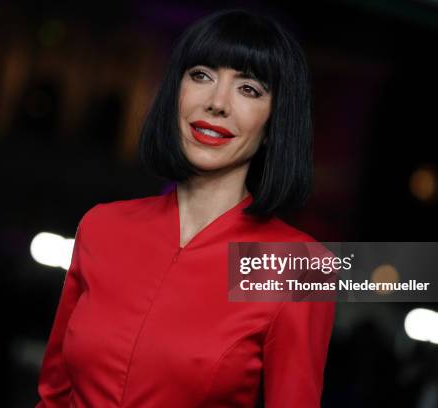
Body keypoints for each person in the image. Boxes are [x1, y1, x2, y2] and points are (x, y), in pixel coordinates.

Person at [36, 8, 335, 408]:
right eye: (201, 75)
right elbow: (52, 397)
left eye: (249, 89)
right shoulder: (102, 226)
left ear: (274, 123)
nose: (216, 103)